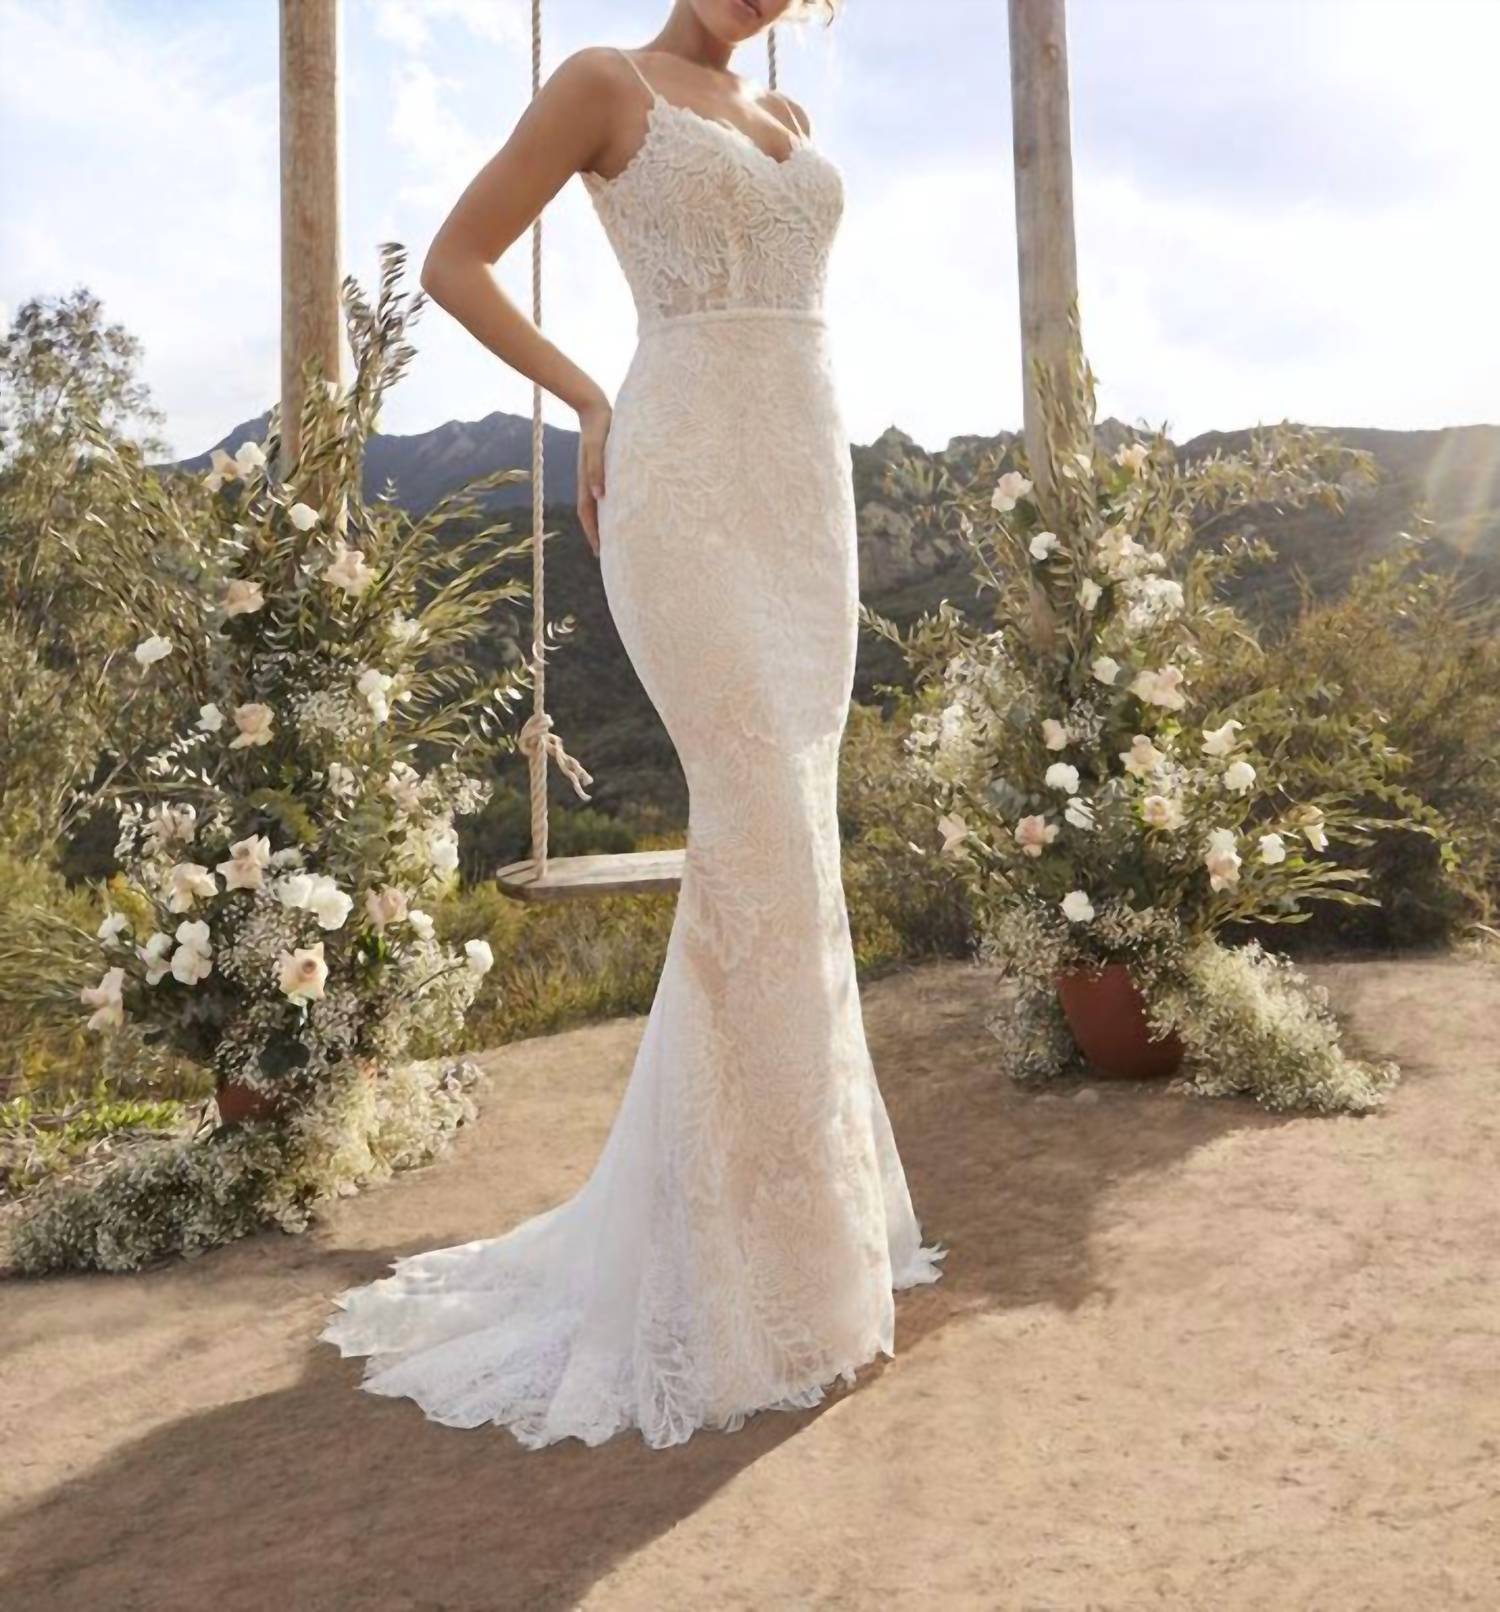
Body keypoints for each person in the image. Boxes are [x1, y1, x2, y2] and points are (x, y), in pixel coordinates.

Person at [319, 0, 947, 1451]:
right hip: (682, 487)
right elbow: (456, 262)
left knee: (796, 842)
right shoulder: (604, 83)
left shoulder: (790, 124)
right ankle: (740, 1280)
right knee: (759, 822)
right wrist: (589, 397)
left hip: (806, 496)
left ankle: (800, 1245)